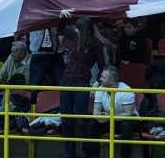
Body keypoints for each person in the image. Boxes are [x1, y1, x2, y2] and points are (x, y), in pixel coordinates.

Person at [59, 11, 107, 158]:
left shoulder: (97, 45)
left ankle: (86, 153)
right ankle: (70, 154)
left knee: (81, 120)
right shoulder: (76, 38)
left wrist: (97, 83)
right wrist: (61, 16)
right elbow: (60, 30)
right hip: (66, 80)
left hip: (82, 82)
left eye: (78, 28)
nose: (75, 30)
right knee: (66, 119)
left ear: (84, 30)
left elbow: (103, 66)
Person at [85, 66, 138, 158]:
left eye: (103, 77)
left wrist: (110, 116)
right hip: (109, 120)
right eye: (101, 76)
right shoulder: (100, 89)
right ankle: (93, 155)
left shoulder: (126, 90)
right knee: (92, 123)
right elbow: (96, 111)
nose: (100, 79)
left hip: (124, 121)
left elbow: (128, 113)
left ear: (112, 81)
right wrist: (99, 117)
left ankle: (125, 156)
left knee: (126, 125)